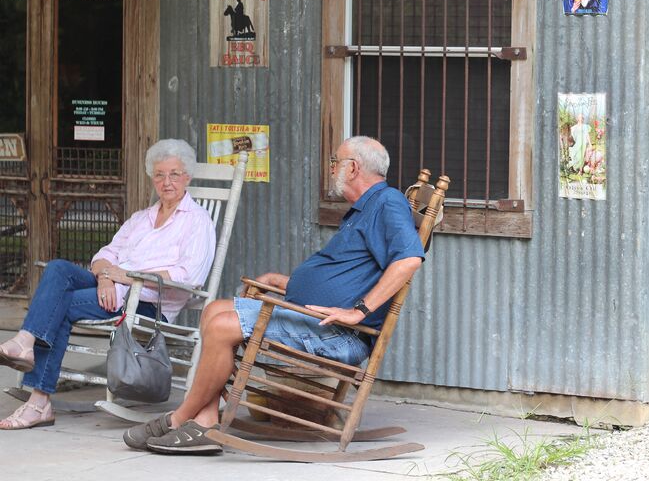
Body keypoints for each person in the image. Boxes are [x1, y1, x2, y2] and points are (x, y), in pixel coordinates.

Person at [123, 135, 424, 455]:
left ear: (353, 168)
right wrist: (289, 283)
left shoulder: (387, 202)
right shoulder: (363, 210)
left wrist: (359, 311)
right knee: (214, 311)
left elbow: (408, 259)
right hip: (314, 317)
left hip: (338, 332)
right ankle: (207, 419)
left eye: (335, 162)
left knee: (222, 326)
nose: (331, 169)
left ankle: (178, 418)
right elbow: (350, 273)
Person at [0, 139, 216, 430]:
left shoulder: (197, 222)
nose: (167, 182)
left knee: (59, 305)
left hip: (148, 303)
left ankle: (38, 399)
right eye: (160, 175)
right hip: (113, 286)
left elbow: (189, 275)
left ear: (187, 177)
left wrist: (125, 278)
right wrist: (105, 277)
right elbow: (105, 254)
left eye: (174, 174)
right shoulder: (142, 218)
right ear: (152, 178)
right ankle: (27, 345)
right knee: (58, 269)